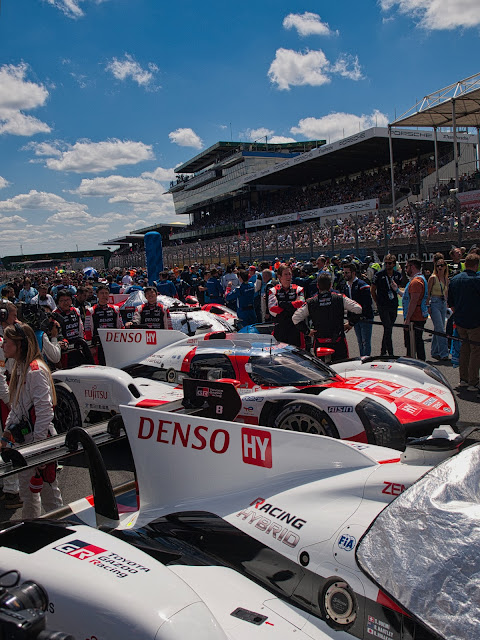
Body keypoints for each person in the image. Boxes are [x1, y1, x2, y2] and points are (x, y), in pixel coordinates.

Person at [1, 323, 63, 518]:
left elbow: (45, 412)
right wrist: (6, 434)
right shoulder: (21, 367)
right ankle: (33, 535)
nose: (3, 345)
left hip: (39, 442)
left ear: (20, 345)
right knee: (28, 495)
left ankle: (63, 534)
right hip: (25, 444)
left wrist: (39, 449)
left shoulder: (35, 370)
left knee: (50, 498)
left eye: (7, 342)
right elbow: (17, 406)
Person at [292, 273, 362, 362]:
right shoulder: (339, 298)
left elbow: (295, 318)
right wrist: (350, 324)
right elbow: (358, 309)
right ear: (331, 285)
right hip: (338, 341)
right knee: (342, 369)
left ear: (317, 286)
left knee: (322, 371)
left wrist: (307, 331)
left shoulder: (311, 301)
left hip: (320, 341)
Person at [447, 253, 480, 392]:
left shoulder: (455, 279)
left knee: (464, 349)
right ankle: (473, 381)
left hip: (460, 319)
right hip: (475, 320)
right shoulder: (477, 279)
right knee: (475, 351)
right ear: (476, 265)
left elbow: (451, 303)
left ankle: (463, 379)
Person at [371, 254, 402, 356]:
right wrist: (377, 302)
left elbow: (399, 288)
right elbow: (373, 290)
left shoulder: (397, 275)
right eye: (386, 263)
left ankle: (383, 351)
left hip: (393, 304)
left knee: (389, 328)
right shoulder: (379, 275)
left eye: (389, 263)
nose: (387, 265)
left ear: (393, 264)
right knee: (388, 327)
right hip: (383, 305)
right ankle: (391, 352)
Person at [268, 264, 305, 347]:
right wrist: (292, 306)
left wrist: (281, 304)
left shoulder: (299, 289)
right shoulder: (273, 290)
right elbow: (273, 309)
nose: (289, 277)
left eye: (290, 274)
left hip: (296, 329)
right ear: (279, 276)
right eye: (286, 274)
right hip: (280, 328)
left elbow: (301, 305)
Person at [341, 262, 374, 356]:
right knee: (360, 341)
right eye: (344, 273)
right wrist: (351, 320)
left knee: (365, 341)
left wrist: (359, 317)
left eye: (347, 273)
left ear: (353, 273)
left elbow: (367, 304)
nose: (345, 275)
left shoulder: (362, 285)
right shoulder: (346, 286)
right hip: (355, 319)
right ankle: (361, 358)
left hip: (365, 318)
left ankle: (366, 359)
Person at [403, 258, 428, 361]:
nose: (405, 270)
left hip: (415, 317)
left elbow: (413, 301)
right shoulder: (418, 280)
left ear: (412, 267)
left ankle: (416, 363)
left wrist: (407, 319)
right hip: (418, 315)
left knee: (413, 343)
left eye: (406, 267)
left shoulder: (416, 282)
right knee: (415, 342)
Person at [91, 285, 124, 365]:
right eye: (102, 293)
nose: (104, 295)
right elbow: (88, 329)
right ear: (97, 295)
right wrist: (91, 345)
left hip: (112, 341)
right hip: (99, 343)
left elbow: (120, 326)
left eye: (106, 293)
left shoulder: (115, 309)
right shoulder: (91, 310)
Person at [427, 256, 450, 361]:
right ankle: (444, 353)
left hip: (443, 302)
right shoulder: (433, 278)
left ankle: (435, 351)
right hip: (435, 302)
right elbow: (427, 293)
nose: (440, 267)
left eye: (442, 265)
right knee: (441, 328)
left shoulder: (446, 279)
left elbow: (447, 293)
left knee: (438, 328)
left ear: (445, 267)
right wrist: (427, 306)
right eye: (438, 265)